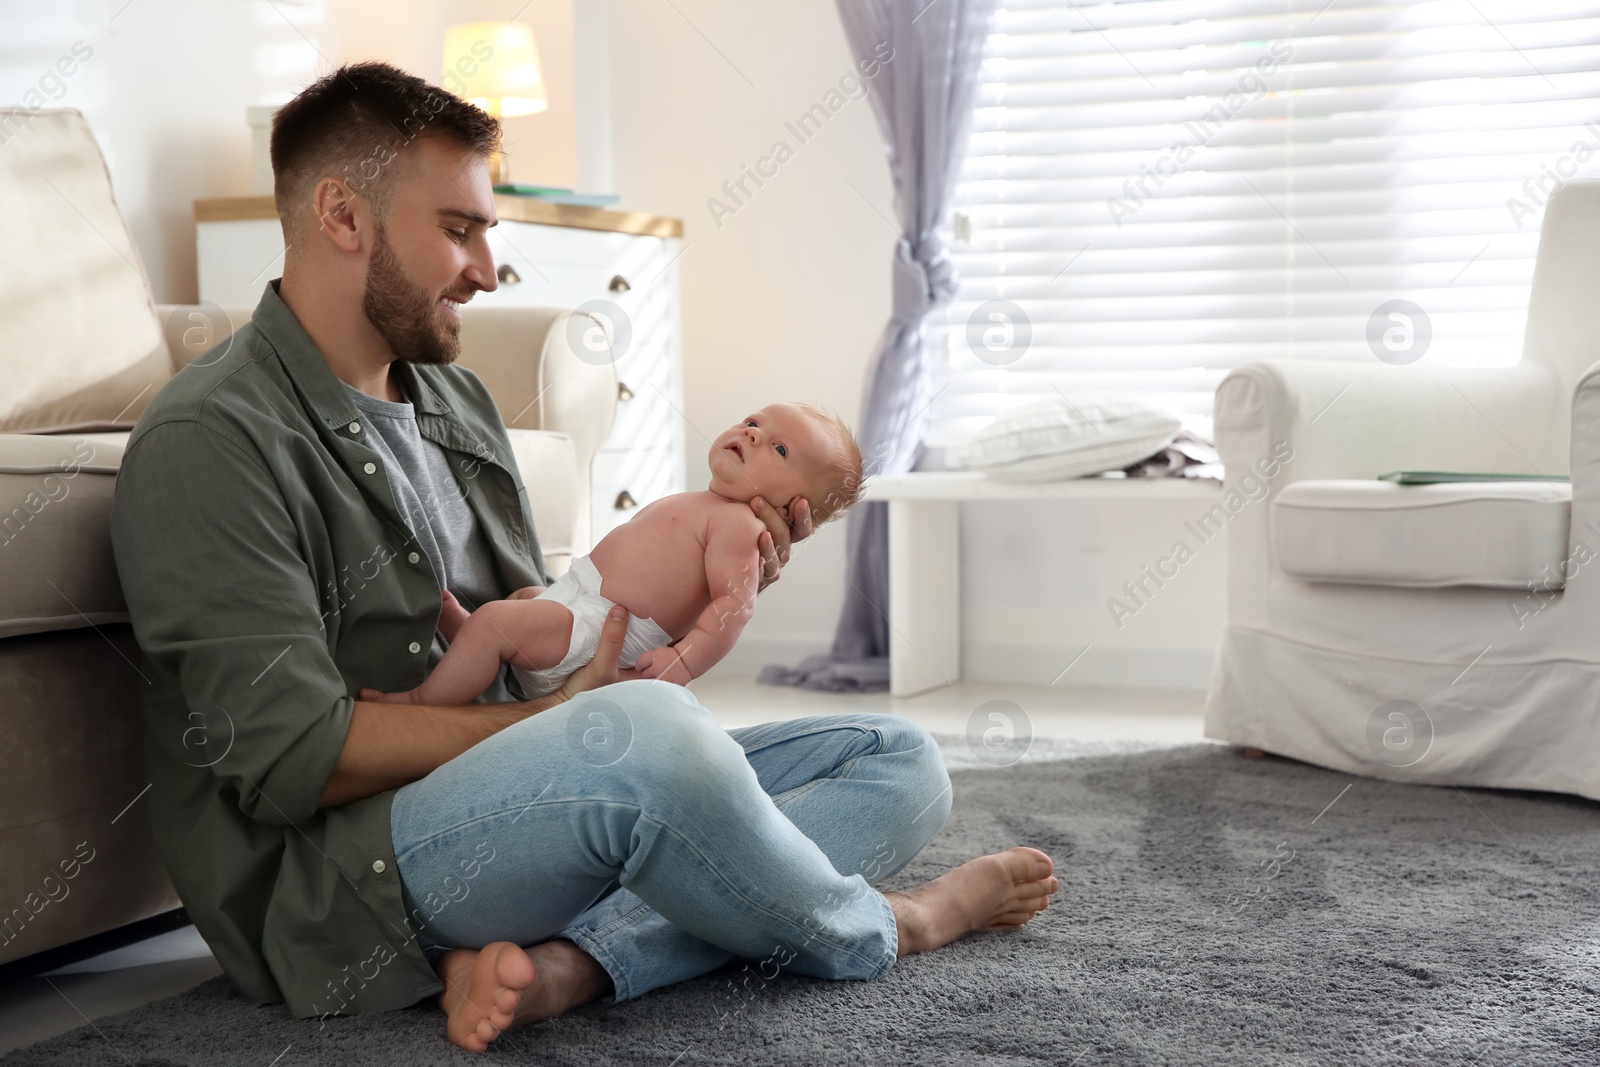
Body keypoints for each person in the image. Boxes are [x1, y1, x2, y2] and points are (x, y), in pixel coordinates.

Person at [108, 60, 1058, 1055]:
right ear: (343, 215)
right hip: (345, 875)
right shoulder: (212, 438)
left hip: (524, 786)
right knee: (648, 740)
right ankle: (889, 922)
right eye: (459, 229)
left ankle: (581, 962)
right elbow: (300, 758)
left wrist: (676, 603)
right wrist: (567, 719)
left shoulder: (452, 401)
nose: (485, 268)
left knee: (897, 760)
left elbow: (540, 625)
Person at [363, 402, 867, 705]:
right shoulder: (708, 505)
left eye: (779, 450)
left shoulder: (737, 525)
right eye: (754, 420)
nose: (752, 433)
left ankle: (425, 700)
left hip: (606, 630)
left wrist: (682, 663)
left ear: (795, 506)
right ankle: (473, 645)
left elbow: (733, 607)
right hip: (579, 604)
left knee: (498, 620)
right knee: (523, 597)